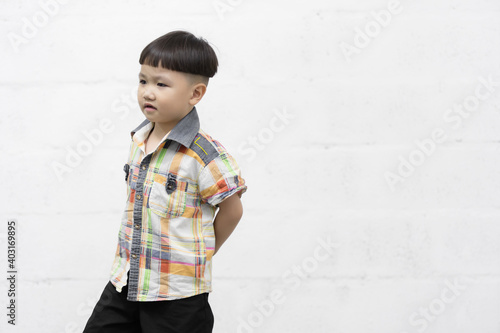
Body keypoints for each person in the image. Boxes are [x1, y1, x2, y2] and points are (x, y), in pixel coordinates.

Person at [83, 30, 248, 333]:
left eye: (161, 84)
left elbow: (232, 210)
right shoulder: (140, 139)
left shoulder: (203, 154)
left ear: (195, 93)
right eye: (143, 80)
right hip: (128, 279)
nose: (147, 92)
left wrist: (203, 251)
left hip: (178, 294)